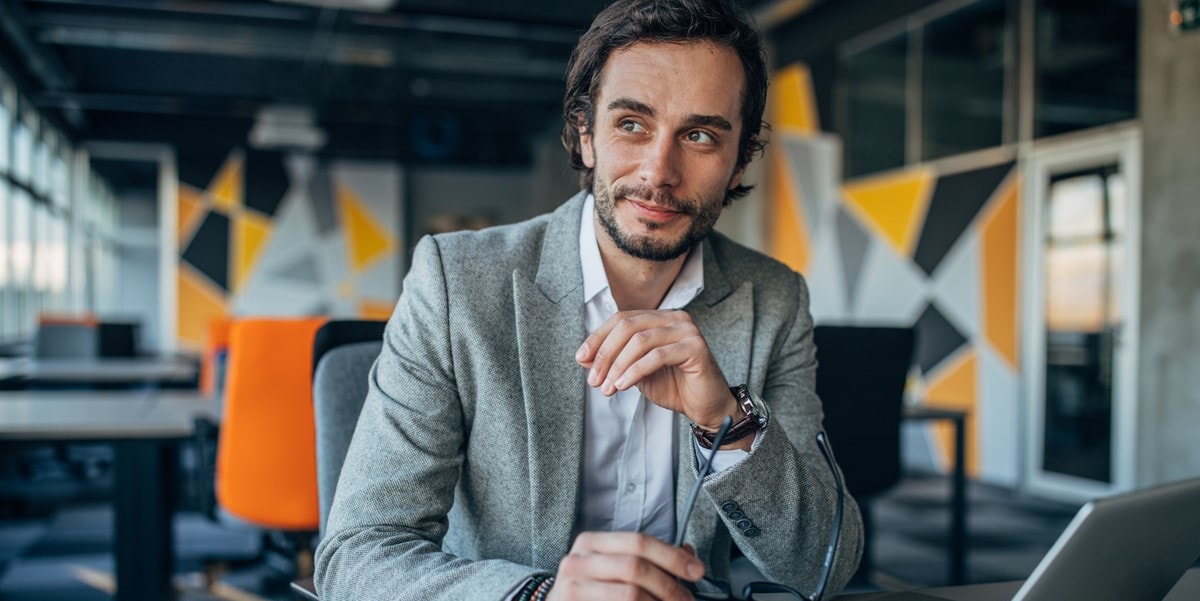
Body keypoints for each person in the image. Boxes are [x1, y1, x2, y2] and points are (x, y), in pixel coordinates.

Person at [314, 0, 863, 599]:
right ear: (586, 133)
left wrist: (726, 423)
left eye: (700, 136)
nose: (659, 171)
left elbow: (825, 564)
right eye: (632, 124)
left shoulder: (774, 298)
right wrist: (542, 595)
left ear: (738, 163)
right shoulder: (456, 283)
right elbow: (356, 554)